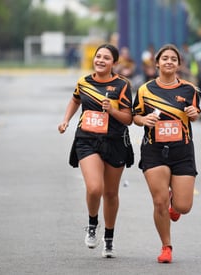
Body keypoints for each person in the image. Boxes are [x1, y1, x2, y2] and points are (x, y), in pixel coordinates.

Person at [58, 44, 134, 258]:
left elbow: (128, 119)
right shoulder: (84, 82)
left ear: (114, 63)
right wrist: (65, 121)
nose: (100, 60)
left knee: (111, 193)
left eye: (106, 58)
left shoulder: (122, 85)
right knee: (94, 188)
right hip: (87, 139)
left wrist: (112, 110)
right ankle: (92, 223)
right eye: (98, 56)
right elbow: (75, 100)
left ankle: (108, 239)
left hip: (115, 142)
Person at [133, 44, 200, 264]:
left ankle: (175, 202)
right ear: (157, 63)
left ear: (178, 64)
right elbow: (136, 117)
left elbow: (195, 114)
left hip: (182, 150)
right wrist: (144, 120)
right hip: (154, 150)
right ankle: (166, 246)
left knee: (183, 207)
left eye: (173, 59)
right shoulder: (145, 89)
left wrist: (193, 113)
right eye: (165, 58)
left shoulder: (189, 89)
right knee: (159, 202)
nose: (169, 62)